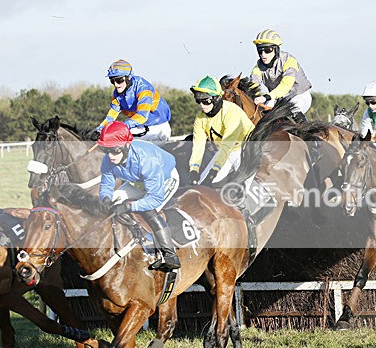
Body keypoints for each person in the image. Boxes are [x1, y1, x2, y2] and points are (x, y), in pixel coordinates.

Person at [97, 121, 180, 271]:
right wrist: (106, 199)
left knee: (148, 210)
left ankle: (170, 255)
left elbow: (154, 199)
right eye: (106, 150)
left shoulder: (146, 160)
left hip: (165, 179)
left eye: (115, 150)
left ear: (126, 146)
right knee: (114, 200)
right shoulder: (108, 159)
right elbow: (106, 185)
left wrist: (129, 206)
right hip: (137, 182)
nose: (110, 156)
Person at [187, 75, 255, 186]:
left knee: (244, 190)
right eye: (198, 101)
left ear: (217, 98)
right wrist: (194, 170)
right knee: (202, 186)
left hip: (247, 149)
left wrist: (213, 172)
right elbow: (198, 146)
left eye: (206, 101)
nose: (202, 106)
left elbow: (227, 146)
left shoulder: (231, 112)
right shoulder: (200, 118)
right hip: (226, 152)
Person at [92, 60, 173, 143]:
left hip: (158, 129)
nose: (116, 84)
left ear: (128, 78)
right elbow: (110, 117)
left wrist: (119, 128)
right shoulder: (116, 95)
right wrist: (99, 130)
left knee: (122, 144)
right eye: (112, 81)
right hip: (140, 129)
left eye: (119, 80)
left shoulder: (144, 89)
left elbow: (141, 117)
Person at [250, 29, 313, 122]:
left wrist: (266, 97)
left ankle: (308, 134)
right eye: (260, 51)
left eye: (268, 50)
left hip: (299, 96)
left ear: (276, 49)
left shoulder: (289, 61)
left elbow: (285, 85)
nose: (263, 54)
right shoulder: (258, 67)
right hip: (277, 99)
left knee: (292, 111)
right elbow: (253, 85)